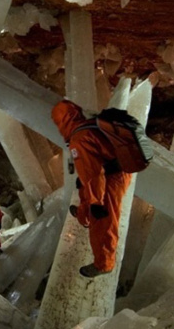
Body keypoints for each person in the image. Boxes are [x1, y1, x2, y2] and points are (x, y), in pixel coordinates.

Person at [51, 99, 132, 278]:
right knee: (85, 190)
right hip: (110, 168)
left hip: (114, 175)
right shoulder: (86, 128)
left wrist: (96, 202)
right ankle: (83, 215)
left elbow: (95, 175)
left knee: (104, 219)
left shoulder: (79, 139)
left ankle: (104, 264)